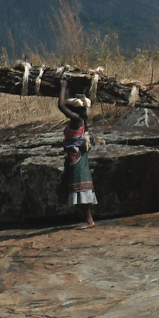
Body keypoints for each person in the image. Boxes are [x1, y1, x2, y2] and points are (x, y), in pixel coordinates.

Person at [58, 77, 96, 229]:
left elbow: (60, 105)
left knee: (81, 187)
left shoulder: (77, 120)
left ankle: (89, 220)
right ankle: (87, 219)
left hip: (77, 157)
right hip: (74, 156)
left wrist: (63, 87)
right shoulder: (77, 121)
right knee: (76, 186)